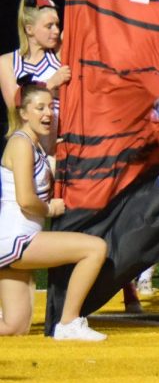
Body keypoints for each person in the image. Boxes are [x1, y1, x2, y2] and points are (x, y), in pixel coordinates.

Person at [0, 82, 107, 340]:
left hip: (12, 240)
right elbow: (26, 199)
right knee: (95, 249)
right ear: (23, 113)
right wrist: (50, 209)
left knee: (15, 327)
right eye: (40, 107)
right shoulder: (21, 143)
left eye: (50, 106)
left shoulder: (33, 145)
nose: (48, 113)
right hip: (18, 240)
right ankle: (69, 322)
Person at [0, 0, 71, 153]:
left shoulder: (60, 53)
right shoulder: (7, 62)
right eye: (49, 26)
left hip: (61, 148)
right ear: (29, 29)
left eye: (57, 25)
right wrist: (50, 84)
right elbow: (16, 105)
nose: (56, 31)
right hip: (29, 151)